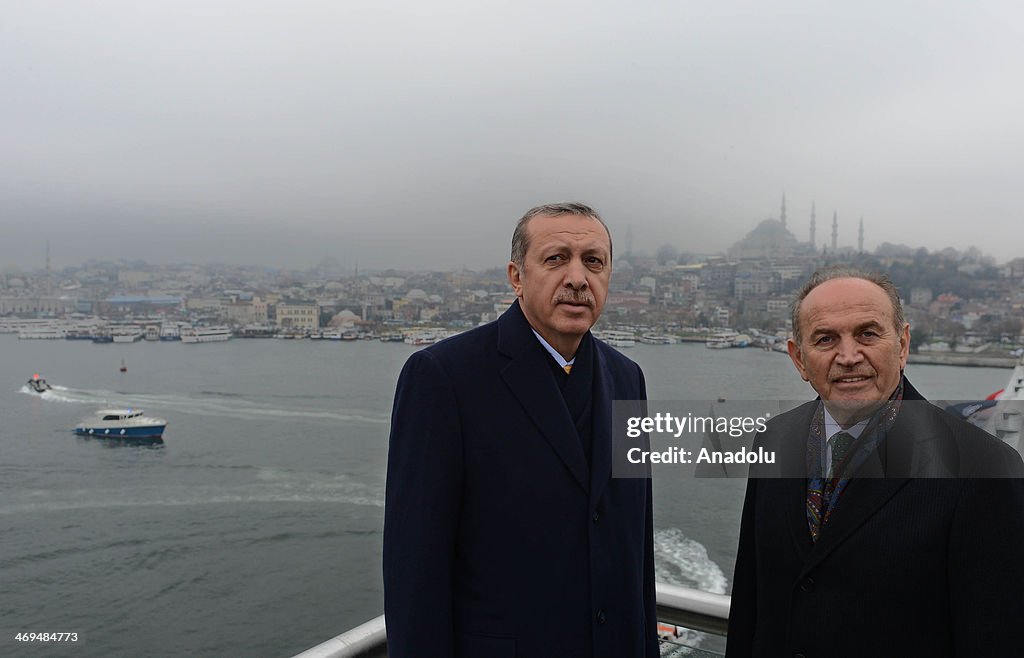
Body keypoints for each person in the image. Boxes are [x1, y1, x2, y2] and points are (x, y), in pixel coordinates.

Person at [383, 203, 658, 657]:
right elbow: (415, 569)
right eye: (555, 259)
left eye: (594, 261)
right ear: (516, 277)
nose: (576, 278)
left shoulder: (628, 378)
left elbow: (636, 547)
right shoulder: (444, 378)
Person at [726, 265, 1024, 657]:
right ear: (799, 359)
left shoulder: (984, 468)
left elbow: (995, 636)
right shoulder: (773, 439)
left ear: (902, 345)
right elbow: (751, 600)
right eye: (826, 338)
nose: (848, 356)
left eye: (867, 333)